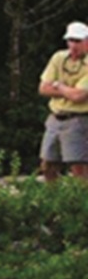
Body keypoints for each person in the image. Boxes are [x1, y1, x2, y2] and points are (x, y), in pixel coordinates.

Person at [37, 23, 88, 183]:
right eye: (70, 40)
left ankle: (82, 203)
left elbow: (79, 96)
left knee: (78, 166)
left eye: (78, 41)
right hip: (55, 117)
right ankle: (54, 200)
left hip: (79, 119)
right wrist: (68, 90)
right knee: (47, 164)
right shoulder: (59, 57)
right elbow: (43, 88)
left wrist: (58, 85)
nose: (73, 45)